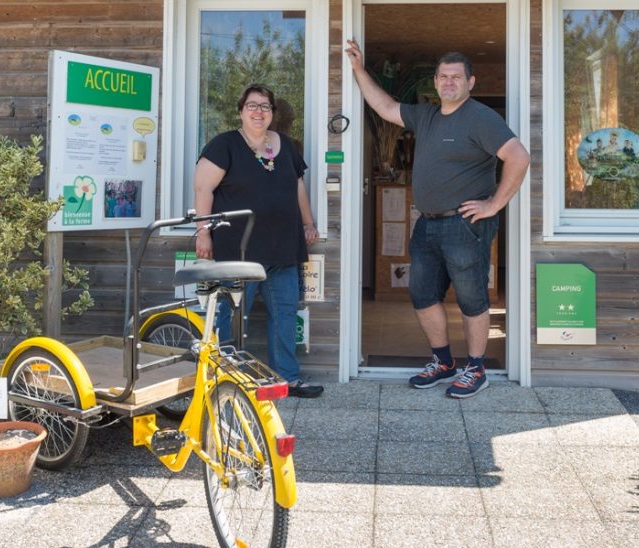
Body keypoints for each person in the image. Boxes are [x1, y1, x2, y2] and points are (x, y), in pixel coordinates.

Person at [346, 39, 530, 398]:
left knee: (472, 297)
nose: (449, 82)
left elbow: (519, 157)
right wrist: (357, 69)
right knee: (422, 293)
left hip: (464, 224)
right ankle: (443, 363)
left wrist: (494, 204)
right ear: (435, 81)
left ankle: (476, 368)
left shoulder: (480, 117)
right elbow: (384, 106)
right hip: (427, 222)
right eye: (443, 77)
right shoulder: (426, 115)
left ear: (470, 82)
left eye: (456, 77)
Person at [193, 84, 323, 398]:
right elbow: (202, 189)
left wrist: (308, 223)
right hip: (237, 249)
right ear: (240, 110)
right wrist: (203, 232)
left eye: (265, 106)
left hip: (282, 247)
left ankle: (287, 379)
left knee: (285, 313)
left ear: (272, 113)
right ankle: (222, 378)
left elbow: (298, 187)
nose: (259, 111)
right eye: (252, 105)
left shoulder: (287, 146)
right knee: (229, 316)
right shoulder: (224, 145)